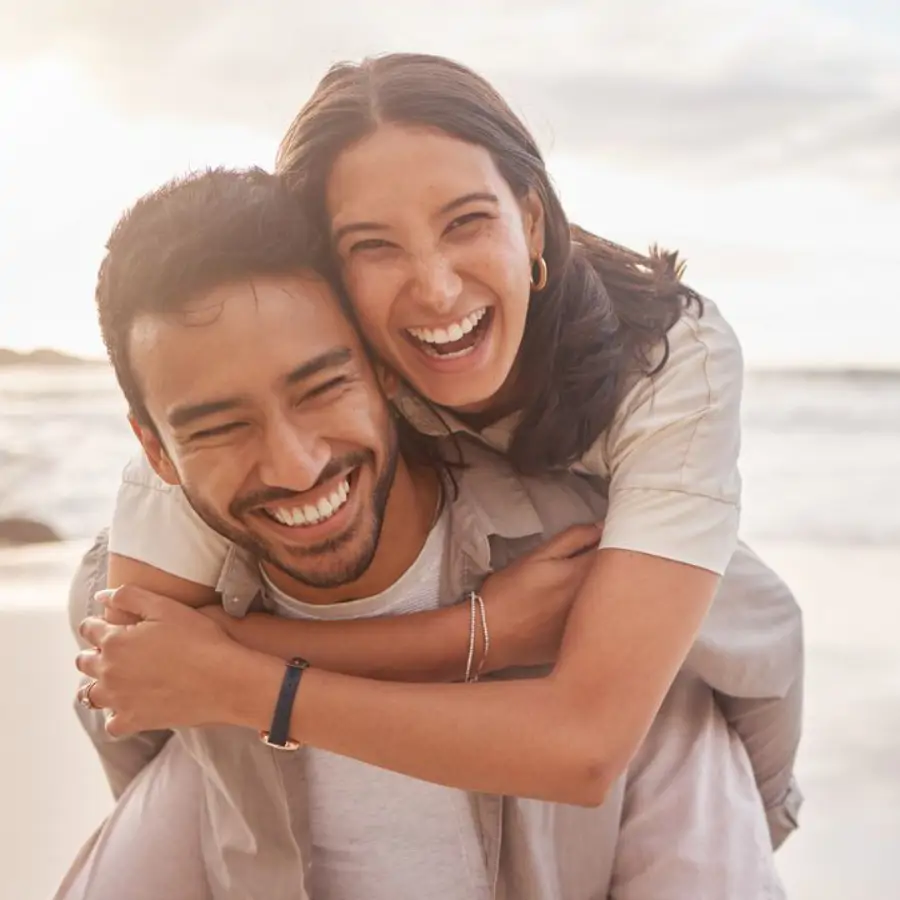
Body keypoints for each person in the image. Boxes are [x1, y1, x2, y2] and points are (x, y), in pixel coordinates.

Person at [95, 53, 803, 844]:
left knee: (736, 614)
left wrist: (255, 684)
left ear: (531, 221)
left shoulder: (672, 356)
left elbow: (586, 744)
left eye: (467, 222)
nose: (435, 289)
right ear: (323, 273)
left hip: (662, 626)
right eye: (373, 246)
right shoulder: (289, 377)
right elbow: (137, 649)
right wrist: (476, 632)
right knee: (101, 585)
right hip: (464, 578)